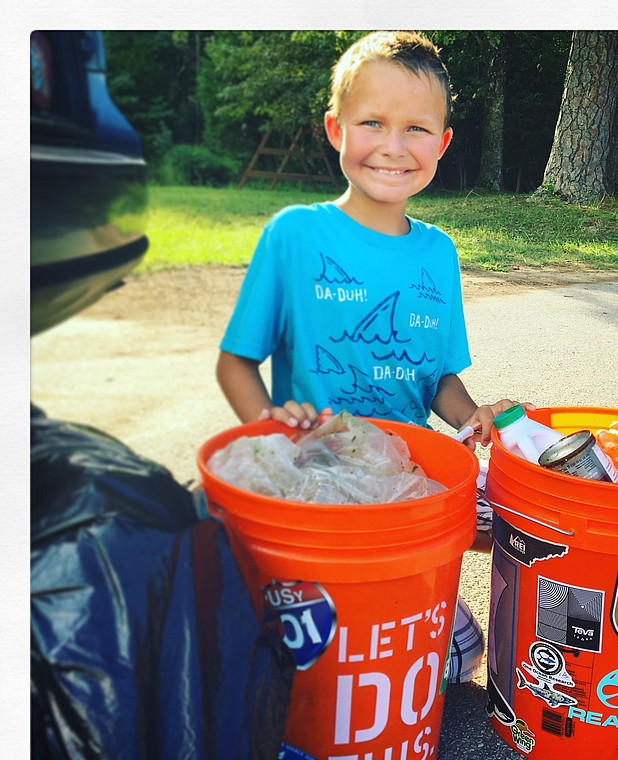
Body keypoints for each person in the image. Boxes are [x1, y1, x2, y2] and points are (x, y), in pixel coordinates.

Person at [216, 30, 531, 683]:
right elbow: (235, 365)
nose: (392, 145)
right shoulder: (296, 235)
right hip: (320, 472)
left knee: (534, 508)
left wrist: (472, 417)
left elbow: (440, 375)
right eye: (371, 123)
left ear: (442, 144)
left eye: (416, 127)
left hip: (409, 478)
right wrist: (273, 437)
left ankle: (512, 642)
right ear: (336, 130)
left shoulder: (437, 253)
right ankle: (346, 610)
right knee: (423, 658)